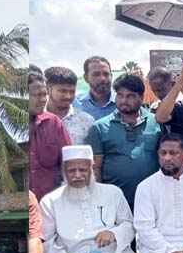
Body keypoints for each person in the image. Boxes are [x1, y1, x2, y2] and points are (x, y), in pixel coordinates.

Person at [88, 73, 163, 210]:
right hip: (115, 202)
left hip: (152, 200)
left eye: (130, 96)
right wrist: (99, 199)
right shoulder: (99, 127)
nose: (124, 100)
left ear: (141, 97)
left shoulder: (156, 122)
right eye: (120, 95)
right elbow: (96, 167)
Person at [30, 69, 71, 200]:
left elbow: (69, 162)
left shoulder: (53, 123)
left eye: (45, 94)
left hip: (52, 206)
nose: (43, 100)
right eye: (36, 95)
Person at [46, 66, 96, 146]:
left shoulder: (87, 121)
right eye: (62, 91)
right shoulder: (36, 119)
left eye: (72, 92)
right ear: (48, 89)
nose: (68, 96)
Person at [78, 56, 116, 121]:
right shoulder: (75, 104)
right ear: (86, 78)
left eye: (106, 74)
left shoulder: (125, 102)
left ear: (111, 76)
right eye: (96, 74)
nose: (102, 79)